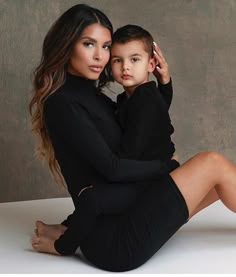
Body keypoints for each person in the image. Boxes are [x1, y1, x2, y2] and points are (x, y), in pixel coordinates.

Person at [29, 4, 236, 272]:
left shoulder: (95, 98)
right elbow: (110, 169)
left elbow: (144, 124)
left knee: (218, 183)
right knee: (213, 164)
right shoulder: (63, 104)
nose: (99, 56)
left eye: (105, 47)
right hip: (116, 242)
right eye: (89, 44)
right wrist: (168, 167)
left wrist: (164, 85)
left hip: (117, 214)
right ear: (67, 45)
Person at [112, 24, 179, 172]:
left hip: (159, 176)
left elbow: (131, 152)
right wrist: (165, 82)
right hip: (149, 171)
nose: (125, 67)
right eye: (117, 60)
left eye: (134, 59)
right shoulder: (129, 97)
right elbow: (161, 106)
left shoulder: (146, 97)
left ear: (151, 65)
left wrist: (109, 169)